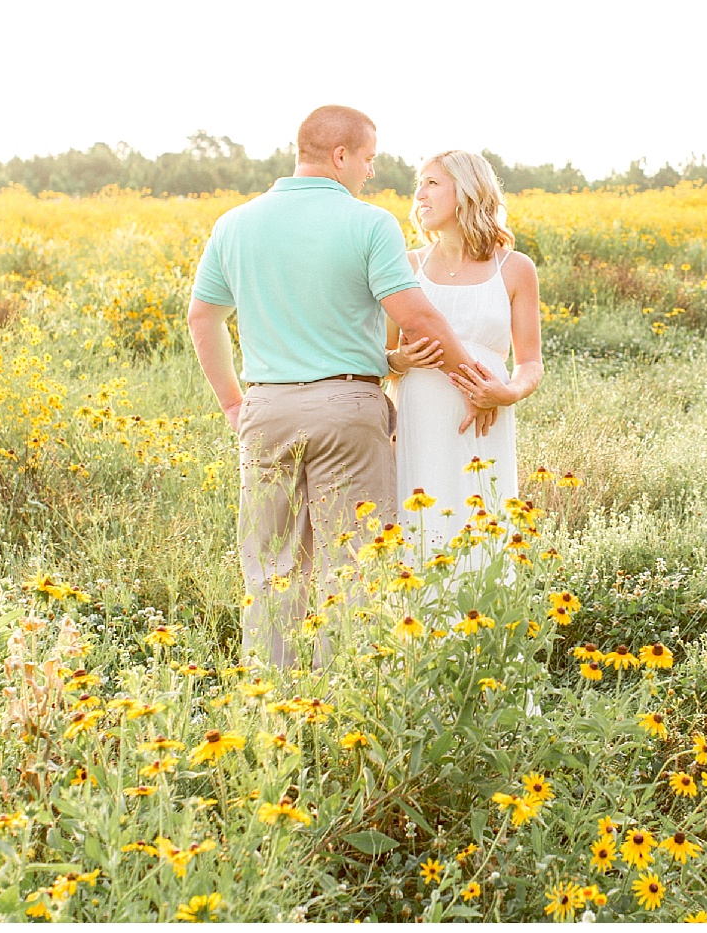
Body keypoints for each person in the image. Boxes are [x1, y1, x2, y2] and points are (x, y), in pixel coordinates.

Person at [185, 105, 480, 671]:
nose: (370, 172)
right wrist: (473, 377)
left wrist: (231, 402)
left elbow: (203, 318)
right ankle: (343, 703)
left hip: (266, 409)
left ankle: (273, 703)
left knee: (270, 568)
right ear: (341, 156)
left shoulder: (235, 223)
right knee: (357, 563)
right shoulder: (368, 223)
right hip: (348, 410)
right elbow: (414, 313)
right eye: (367, 159)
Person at [386, 150, 543, 575]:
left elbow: (531, 362)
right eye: (419, 183)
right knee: (423, 527)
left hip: (485, 423)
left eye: (433, 183)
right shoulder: (407, 266)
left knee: (482, 531)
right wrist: (400, 358)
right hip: (419, 418)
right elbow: (379, 358)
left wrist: (506, 392)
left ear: (469, 190)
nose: (419, 193)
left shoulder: (515, 269)